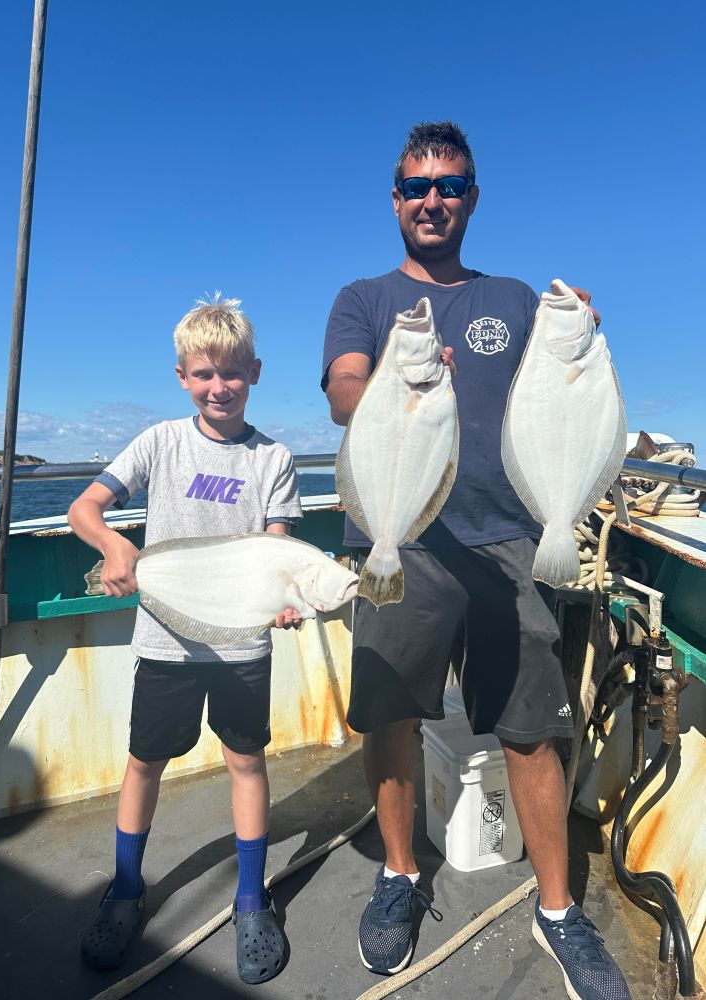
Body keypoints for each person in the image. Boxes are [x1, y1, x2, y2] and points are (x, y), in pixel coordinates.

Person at [321, 121, 631, 1000]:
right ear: (394, 198)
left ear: (472, 199)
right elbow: (347, 393)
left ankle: (560, 911)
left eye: (450, 186)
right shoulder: (364, 298)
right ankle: (399, 874)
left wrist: (587, 330)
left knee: (533, 727)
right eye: (416, 185)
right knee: (392, 716)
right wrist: (394, 374)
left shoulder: (515, 297)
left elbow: (560, 394)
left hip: (508, 539)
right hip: (402, 539)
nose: (432, 200)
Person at [69, 294, 302, 985]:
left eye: (231, 373)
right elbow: (86, 507)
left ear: (254, 373)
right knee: (143, 764)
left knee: (247, 763)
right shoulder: (159, 444)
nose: (218, 387)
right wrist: (114, 545)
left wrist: (284, 597)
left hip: (239, 648)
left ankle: (252, 899)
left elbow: (276, 549)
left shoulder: (274, 458)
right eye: (203, 374)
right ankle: (126, 889)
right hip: (166, 641)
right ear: (181, 377)